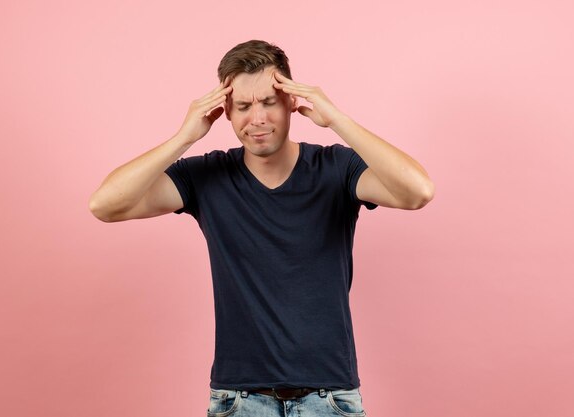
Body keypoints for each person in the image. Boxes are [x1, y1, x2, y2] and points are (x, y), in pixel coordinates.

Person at [89, 39, 434, 417]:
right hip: (238, 400)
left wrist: (337, 120)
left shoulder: (337, 168)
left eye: (269, 102)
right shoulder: (207, 176)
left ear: (290, 102)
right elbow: (105, 205)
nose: (258, 119)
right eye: (243, 106)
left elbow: (417, 191)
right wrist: (184, 137)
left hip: (330, 398)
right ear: (226, 111)